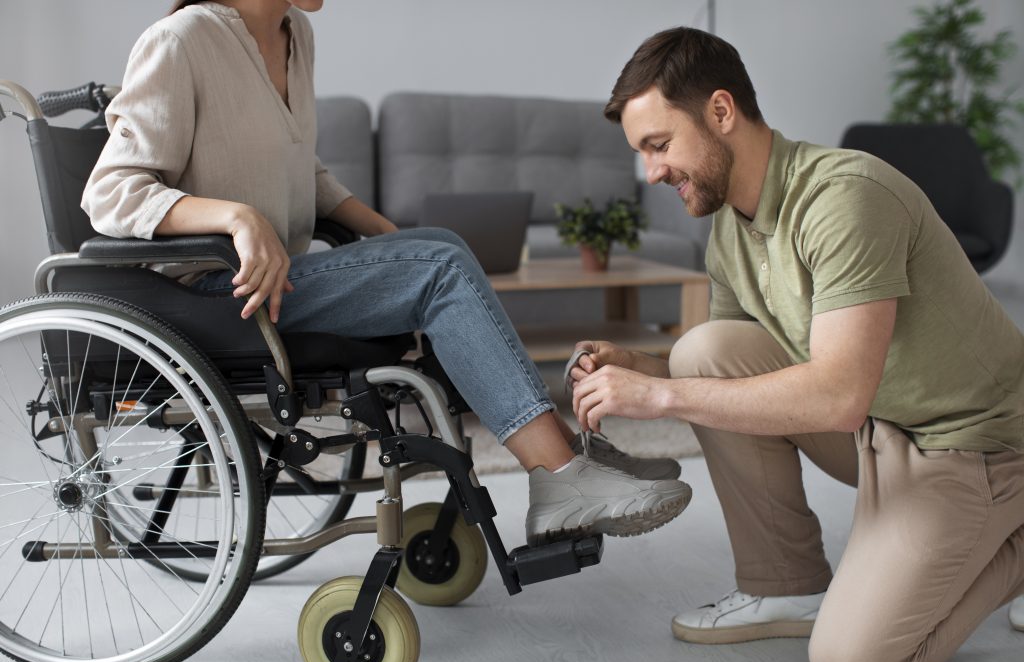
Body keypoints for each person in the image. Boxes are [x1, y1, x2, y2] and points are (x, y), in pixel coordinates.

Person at [80, 0, 691, 546]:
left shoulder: (295, 35)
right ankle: (560, 475)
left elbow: (304, 170)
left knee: (439, 250)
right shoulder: (182, 41)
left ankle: (563, 454)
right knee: (439, 264)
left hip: (283, 281)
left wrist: (389, 237)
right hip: (220, 295)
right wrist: (238, 218)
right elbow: (110, 192)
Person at [568, 26, 1024, 662]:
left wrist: (660, 397)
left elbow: (838, 396)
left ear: (721, 112)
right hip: (882, 426)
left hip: (976, 446)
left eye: (659, 145)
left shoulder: (844, 198)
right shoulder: (731, 227)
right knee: (701, 351)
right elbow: (725, 369)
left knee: (852, 660)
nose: (653, 172)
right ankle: (786, 583)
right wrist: (645, 368)